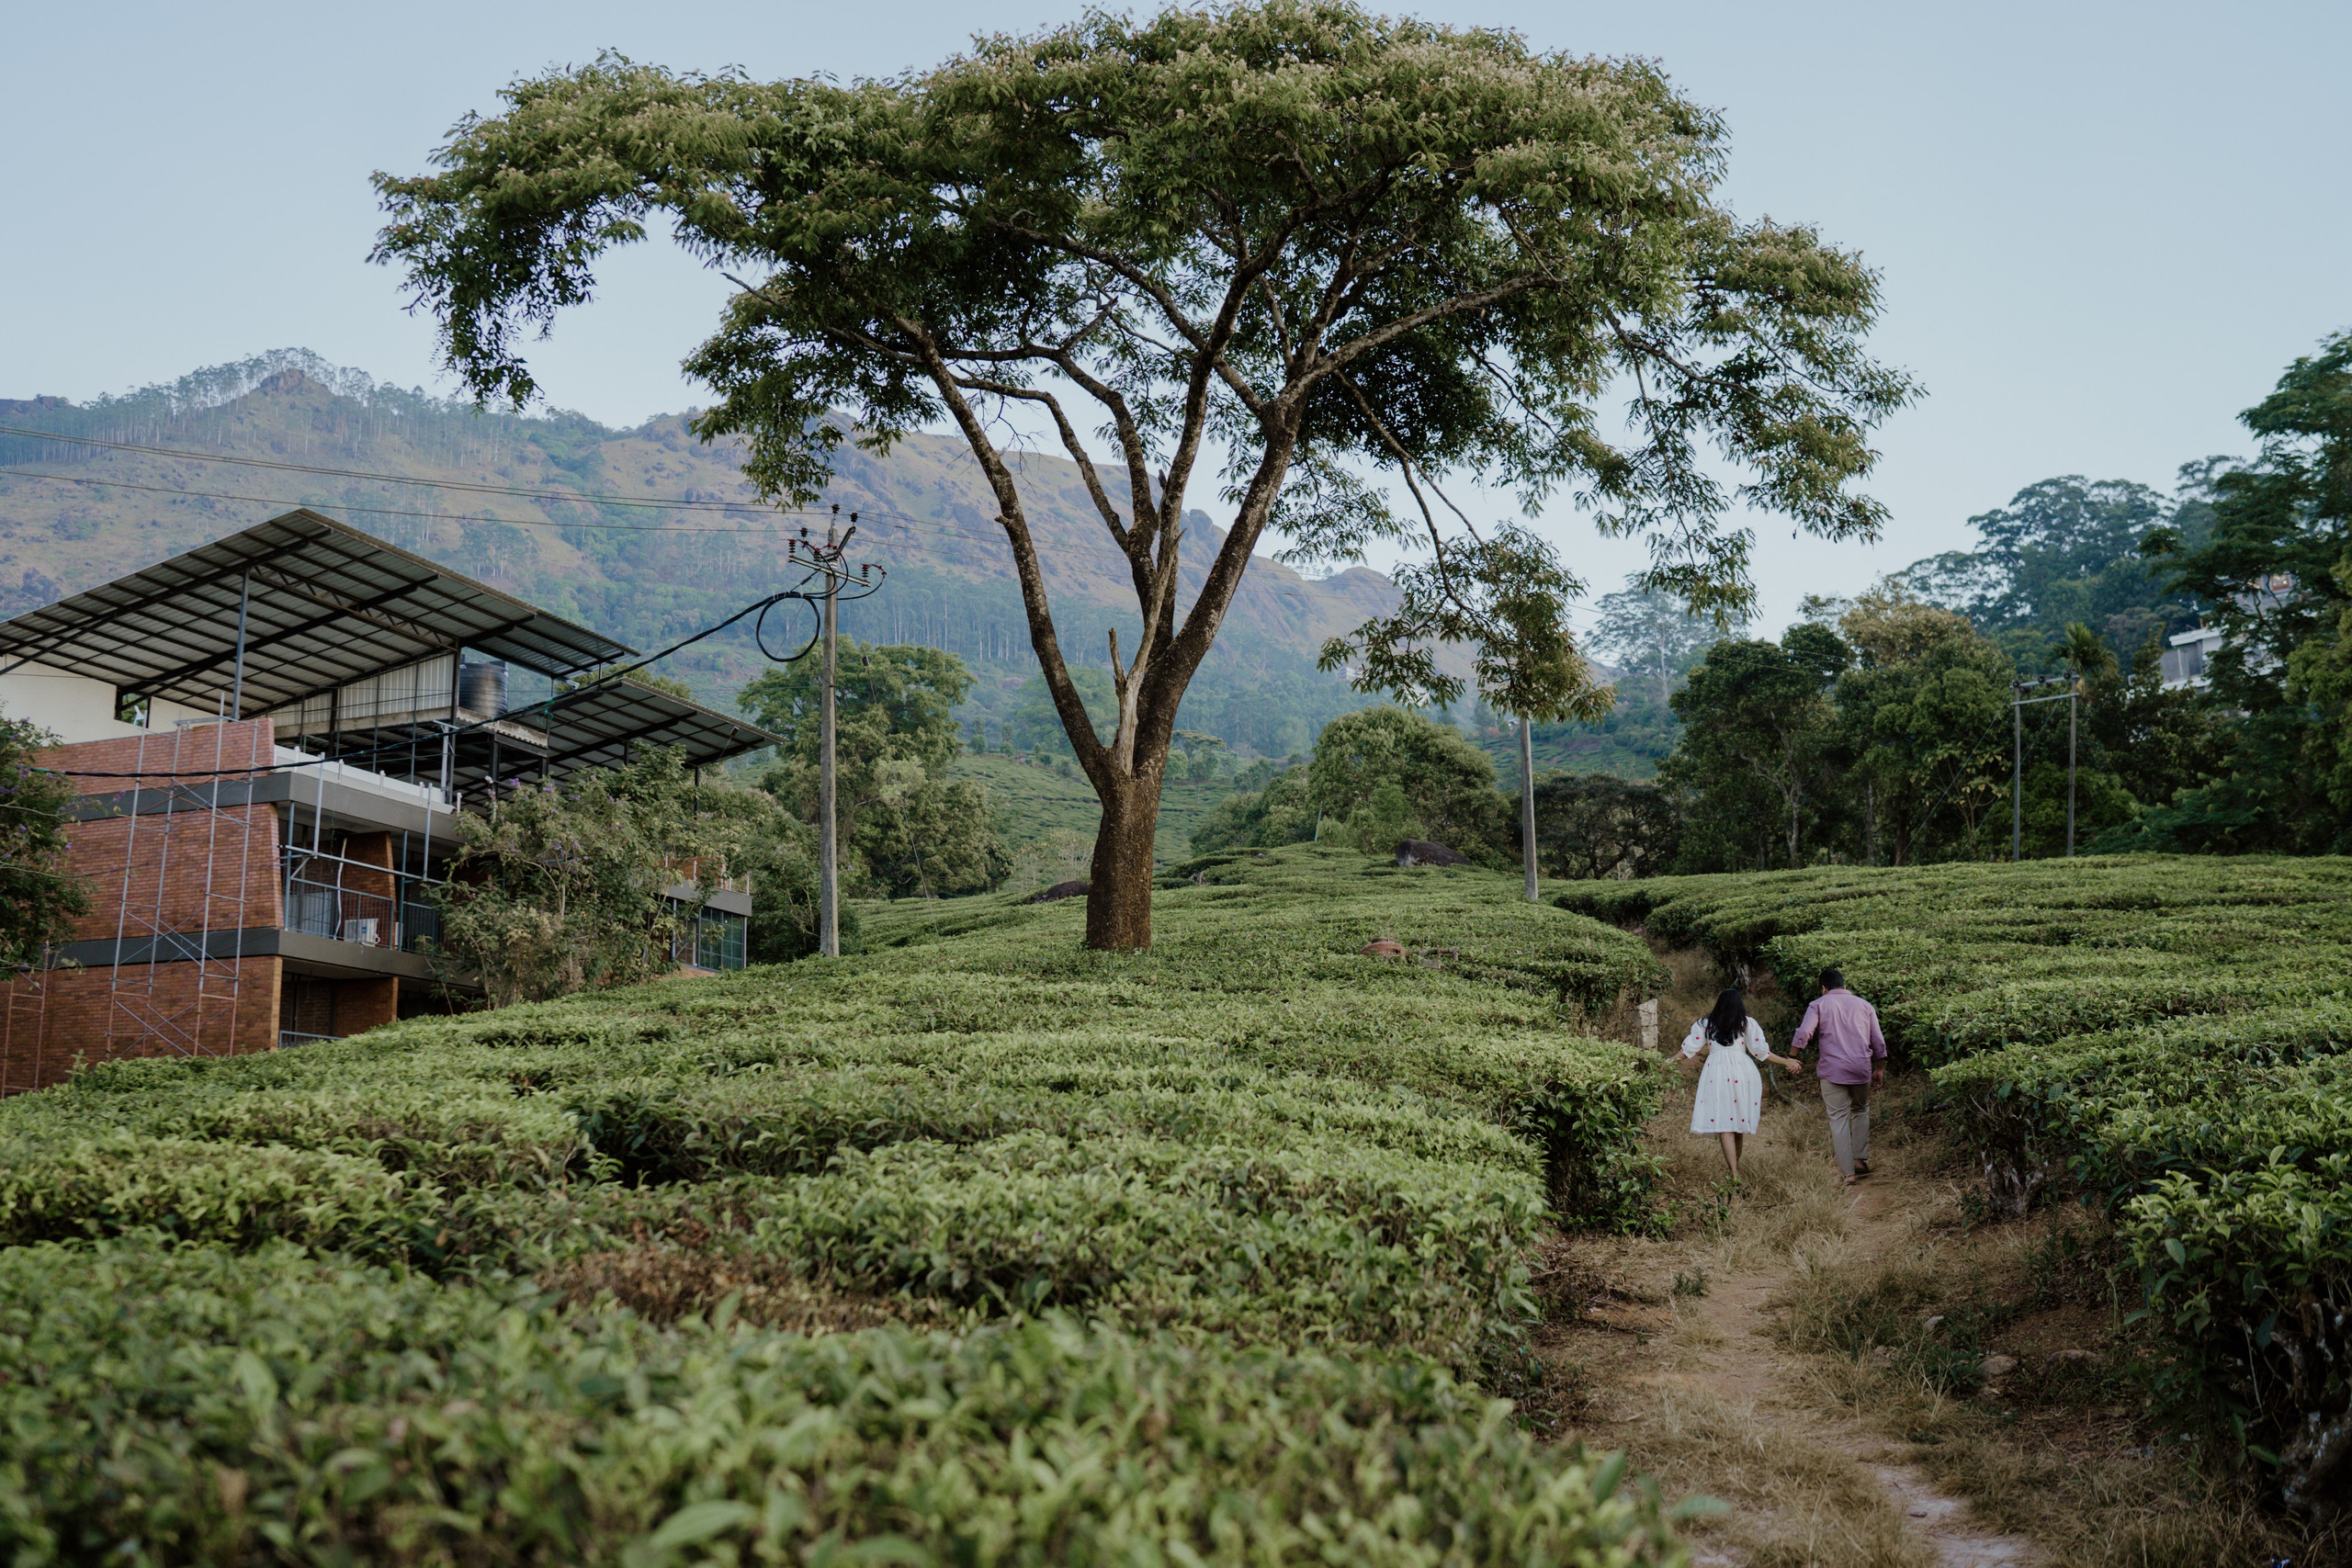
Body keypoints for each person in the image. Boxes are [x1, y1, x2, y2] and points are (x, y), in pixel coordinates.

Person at [1680, 987, 1804, 1182]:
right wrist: (1786, 1061)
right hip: (1742, 1071)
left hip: (1716, 1071)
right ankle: (1735, 1171)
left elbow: (1689, 1049)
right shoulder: (1746, 1024)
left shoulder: (1706, 1023)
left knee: (1724, 1123)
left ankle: (1734, 1172)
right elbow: (1762, 1053)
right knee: (1737, 1124)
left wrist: (1667, 1062)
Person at [1791, 966, 1887, 1185]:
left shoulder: (1818, 1004)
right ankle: (1860, 1159)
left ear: (1824, 988)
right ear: (1844, 986)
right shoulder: (1864, 1005)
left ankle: (1848, 1173)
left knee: (1838, 1118)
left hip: (1832, 1071)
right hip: (1861, 1068)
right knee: (1861, 1110)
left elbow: (1805, 1032)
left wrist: (1792, 1055)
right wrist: (1879, 1068)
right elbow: (1878, 1041)